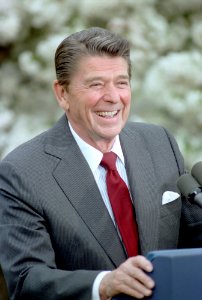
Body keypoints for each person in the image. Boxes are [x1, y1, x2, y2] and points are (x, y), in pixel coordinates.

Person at [0, 27, 200, 300]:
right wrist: (105, 284)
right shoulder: (22, 172)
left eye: (121, 82)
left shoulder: (158, 142)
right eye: (96, 84)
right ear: (62, 94)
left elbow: (194, 235)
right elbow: (26, 279)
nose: (113, 96)